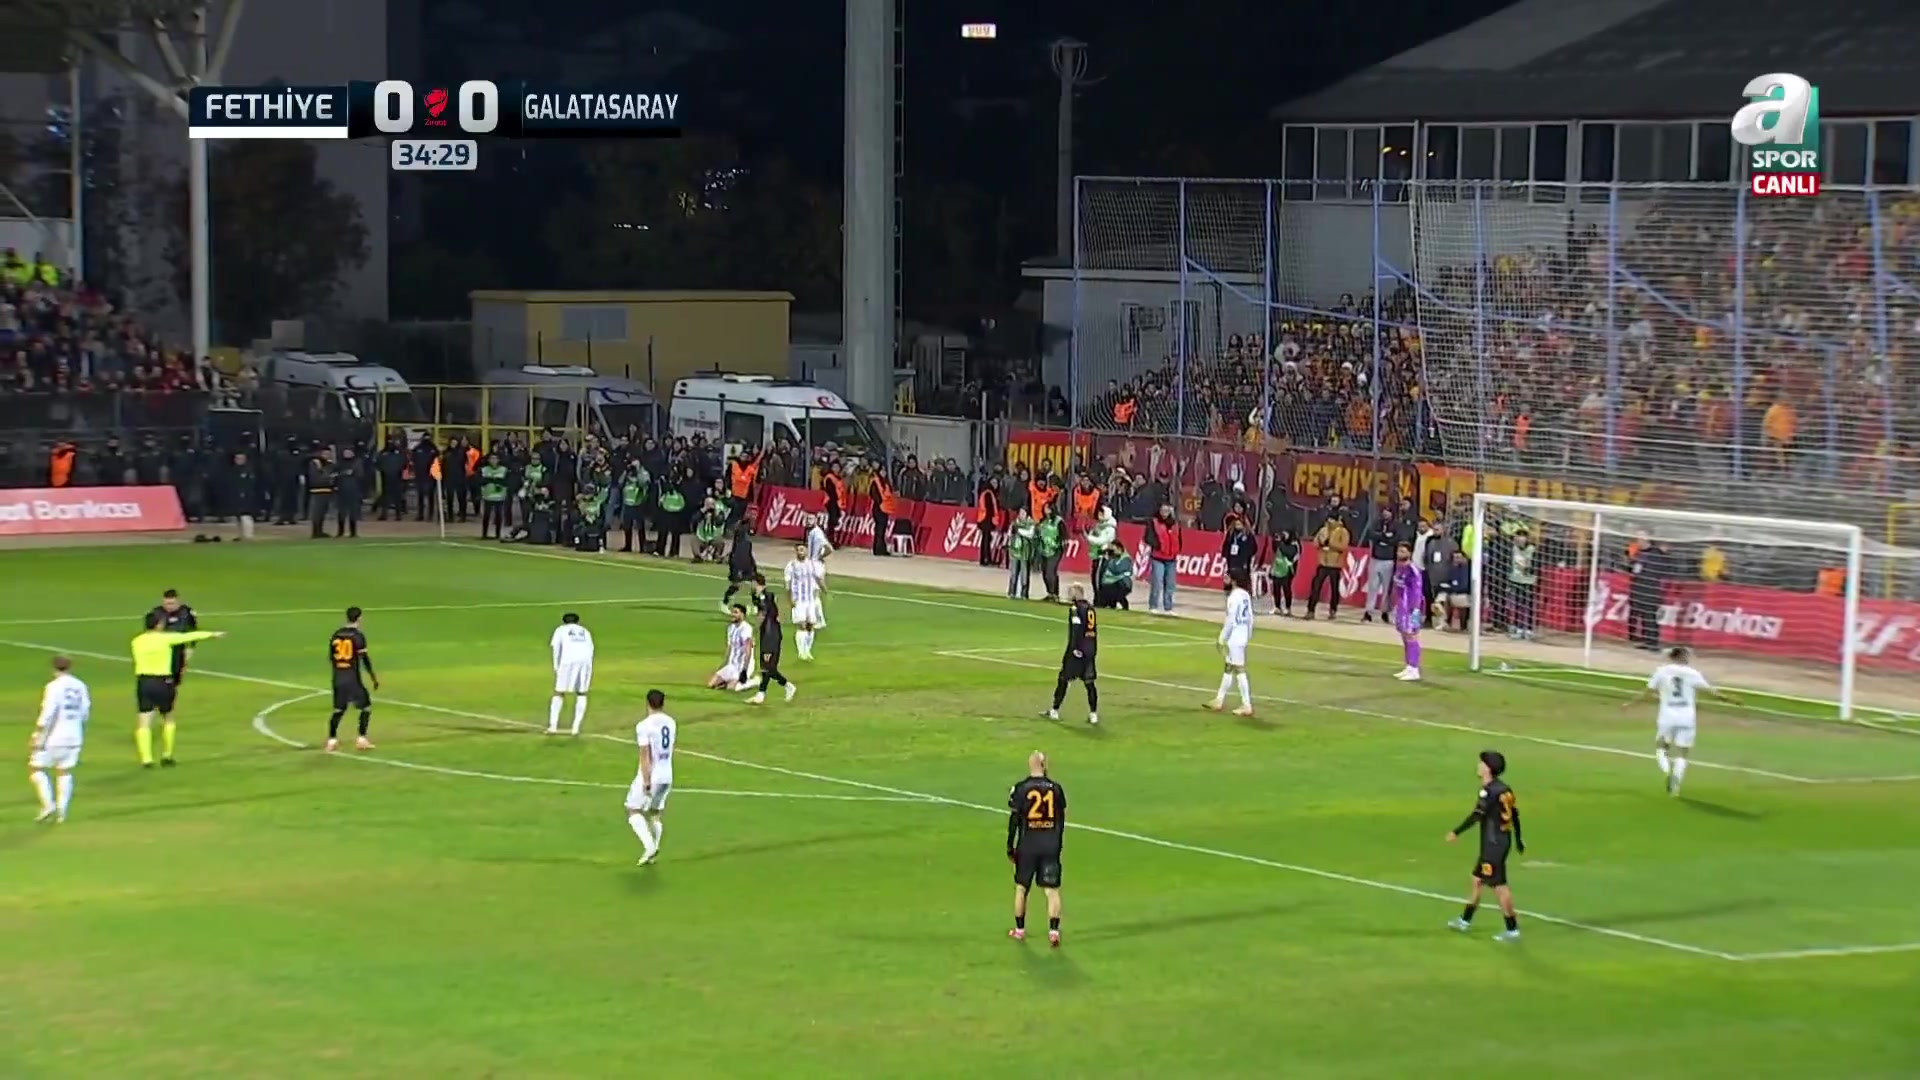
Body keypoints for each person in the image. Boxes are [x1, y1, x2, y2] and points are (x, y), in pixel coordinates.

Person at [1621, 646, 1737, 795]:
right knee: (1682, 752)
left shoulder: (1661, 671)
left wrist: (1630, 704)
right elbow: (1711, 692)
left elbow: (1648, 692)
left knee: (1661, 747)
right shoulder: (1693, 673)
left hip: (1667, 717)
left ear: (1672, 657)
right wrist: (1729, 699)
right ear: (1683, 657)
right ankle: (1675, 785)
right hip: (1687, 718)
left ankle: (1667, 771)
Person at [1445, 750, 1524, 942]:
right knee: (1477, 880)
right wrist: (1519, 839)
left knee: (1499, 886)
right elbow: (1514, 814)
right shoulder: (1504, 789)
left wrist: (1456, 832)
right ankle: (1465, 920)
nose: (1478, 766)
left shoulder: (1489, 791)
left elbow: (1477, 815)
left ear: (1488, 768)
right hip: (1501, 841)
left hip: (1493, 845)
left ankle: (1512, 929)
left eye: (1482, 763)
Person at [131, 613, 224, 767]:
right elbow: (188, 636)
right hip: (163, 682)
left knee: (144, 721)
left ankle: (146, 759)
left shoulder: (136, 641)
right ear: (159, 625)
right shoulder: (166, 638)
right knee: (168, 718)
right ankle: (167, 755)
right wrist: (212, 634)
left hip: (144, 682)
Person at [1006, 750, 1067, 947]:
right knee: (1052, 890)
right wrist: (1058, 842)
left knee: (1022, 888)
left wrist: (1010, 845)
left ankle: (1020, 930)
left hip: (1028, 845)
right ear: (1043, 765)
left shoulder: (1021, 788)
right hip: (1050, 845)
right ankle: (1054, 932)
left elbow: (1015, 819)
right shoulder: (1056, 789)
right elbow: (1061, 819)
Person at [29, 655, 89, 823]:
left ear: (53, 668)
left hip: (54, 736)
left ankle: (48, 805)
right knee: (64, 771)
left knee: (35, 768)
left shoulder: (53, 687)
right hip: (74, 735)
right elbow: (85, 711)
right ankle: (62, 811)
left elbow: (48, 712)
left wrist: (37, 734)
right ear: (70, 667)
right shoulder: (80, 685)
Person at [627, 689, 677, 865]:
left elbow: (645, 756)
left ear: (647, 703)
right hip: (667, 774)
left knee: (633, 810)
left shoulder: (644, 726)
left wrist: (646, 781)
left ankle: (649, 847)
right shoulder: (671, 722)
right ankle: (653, 853)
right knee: (655, 813)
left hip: (652, 774)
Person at [1042, 584, 1099, 725]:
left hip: (1077, 650)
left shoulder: (1075, 609)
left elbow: (1076, 630)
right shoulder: (1091, 608)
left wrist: (1074, 649)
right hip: (1090, 649)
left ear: (1076, 593)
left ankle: (1054, 710)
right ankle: (1093, 714)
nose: (1068, 595)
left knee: (1063, 679)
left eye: (1070, 592)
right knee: (1089, 683)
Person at [325, 607, 379, 752]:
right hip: (352, 678)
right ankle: (362, 739)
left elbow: (331, 657)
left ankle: (331, 740)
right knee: (366, 707)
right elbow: (364, 659)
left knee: (338, 710)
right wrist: (373, 676)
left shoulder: (336, 634)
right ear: (359, 618)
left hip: (338, 678)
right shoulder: (358, 636)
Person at [1207, 569, 1256, 716]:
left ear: (1234, 580)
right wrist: (1248, 634)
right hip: (1242, 634)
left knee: (1239, 669)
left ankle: (1246, 704)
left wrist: (1222, 638)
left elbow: (1231, 620)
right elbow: (1250, 618)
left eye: (1227, 577)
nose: (1225, 579)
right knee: (1228, 667)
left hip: (1235, 637)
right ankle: (1219, 700)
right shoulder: (1245, 595)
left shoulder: (1233, 597)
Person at [547, 612, 595, 736]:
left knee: (559, 692)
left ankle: (553, 726)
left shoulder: (560, 630)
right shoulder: (585, 631)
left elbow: (556, 647)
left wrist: (556, 666)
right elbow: (591, 648)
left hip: (568, 661)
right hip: (585, 662)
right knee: (582, 693)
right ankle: (576, 728)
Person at [747, 582, 796, 705]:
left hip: (771, 637)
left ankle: (783, 686)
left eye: (755, 585)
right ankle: (763, 693)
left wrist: (754, 632)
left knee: (768, 667)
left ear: (762, 586)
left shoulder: (765, 598)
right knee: (767, 667)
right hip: (768, 635)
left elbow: (762, 615)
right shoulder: (762, 598)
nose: (753, 587)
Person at [782, 542, 827, 661]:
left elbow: (818, 578)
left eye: (802, 550)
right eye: (798, 550)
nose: (800, 552)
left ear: (806, 551)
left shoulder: (812, 564)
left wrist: (825, 590)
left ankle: (807, 650)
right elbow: (788, 585)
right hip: (799, 601)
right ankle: (801, 652)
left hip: (810, 600)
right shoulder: (791, 566)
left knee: (810, 625)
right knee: (801, 625)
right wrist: (790, 600)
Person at [1389, 542, 1427, 681]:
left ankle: (1414, 669)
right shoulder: (1399, 568)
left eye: (1403, 551)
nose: (1400, 554)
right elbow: (1397, 588)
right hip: (1401, 607)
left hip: (1412, 608)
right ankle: (1409, 666)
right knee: (1404, 636)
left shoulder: (1413, 570)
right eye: (1399, 551)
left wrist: (1415, 609)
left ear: (1409, 553)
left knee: (1412, 636)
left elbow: (1417, 591)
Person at [148, 589, 198, 688]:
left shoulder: (187, 612)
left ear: (178, 601)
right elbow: (149, 632)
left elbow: (193, 630)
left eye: (172, 603)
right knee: (162, 676)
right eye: (167, 604)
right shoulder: (156, 613)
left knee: (177, 674)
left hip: (179, 647)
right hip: (162, 648)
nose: (169, 606)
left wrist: (191, 647)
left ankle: (171, 690)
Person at [1307, 511, 1349, 619]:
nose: (1330, 522)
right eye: (1329, 519)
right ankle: (1310, 610)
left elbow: (1343, 546)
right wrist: (1320, 543)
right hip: (1323, 562)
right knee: (1316, 586)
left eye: (1332, 519)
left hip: (1335, 564)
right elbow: (1315, 542)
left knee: (1334, 589)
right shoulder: (1323, 530)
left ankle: (1333, 610)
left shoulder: (1343, 531)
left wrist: (1330, 544)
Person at [708, 604, 755, 691]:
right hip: (732, 665)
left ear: (742, 615)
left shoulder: (746, 628)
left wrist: (744, 670)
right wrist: (723, 665)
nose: (732, 614)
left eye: (736, 612)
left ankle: (754, 681)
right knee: (711, 684)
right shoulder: (730, 628)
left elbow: (748, 651)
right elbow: (729, 647)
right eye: (732, 612)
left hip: (742, 665)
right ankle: (731, 682)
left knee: (731, 688)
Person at [720, 522, 758, 613]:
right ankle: (724, 603)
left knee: (754, 584)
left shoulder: (748, 542)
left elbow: (749, 552)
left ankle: (756, 605)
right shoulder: (739, 536)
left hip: (747, 562)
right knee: (736, 585)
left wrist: (753, 564)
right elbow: (735, 530)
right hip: (737, 562)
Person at [1034, 504, 1065, 603]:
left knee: (1050, 572)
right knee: (1044, 573)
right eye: (1044, 508)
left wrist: (1060, 544)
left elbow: (1063, 535)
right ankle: (1050, 593)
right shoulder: (1043, 521)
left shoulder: (1058, 521)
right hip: (1043, 549)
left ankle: (1054, 594)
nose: (1045, 510)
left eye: (1047, 508)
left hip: (1055, 550)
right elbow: (1037, 533)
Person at [1267, 529, 1300, 616]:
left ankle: (1288, 608)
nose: (1283, 535)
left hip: (1288, 569)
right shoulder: (1280, 543)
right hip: (1277, 568)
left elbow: (1289, 553)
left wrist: (1280, 544)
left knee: (1286, 589)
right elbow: (1275, 550)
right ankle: (1277, 607)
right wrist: (1275, 540)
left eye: (1285, 534)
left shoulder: (1294, 544)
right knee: (1276, 588)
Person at [1095, 541, 1134, 610]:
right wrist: (1106, 559)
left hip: (1123, 583)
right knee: (1103, 593)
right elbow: (1104, 570)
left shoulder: (1125, 558)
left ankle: (1124, 607)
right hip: (1111, 583)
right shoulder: (1112, 558)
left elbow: (1117, 570)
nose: (1113, 552)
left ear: (1119, 549)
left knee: (1114, 593)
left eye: (1114, 550)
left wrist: (1110, 561)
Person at [1006, 507, 1035, 600]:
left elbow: (1030, 534)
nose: (1021, 514)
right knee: (1013, 573)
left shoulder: (1031, 523)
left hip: (1025, 553)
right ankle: (1011, 592)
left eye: (1023, 513)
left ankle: (1024, 594)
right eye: (1020, 512)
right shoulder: (1015, 522)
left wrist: (1019, 531)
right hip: (1015, 551)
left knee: (1024, 575)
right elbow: (1009, 534)